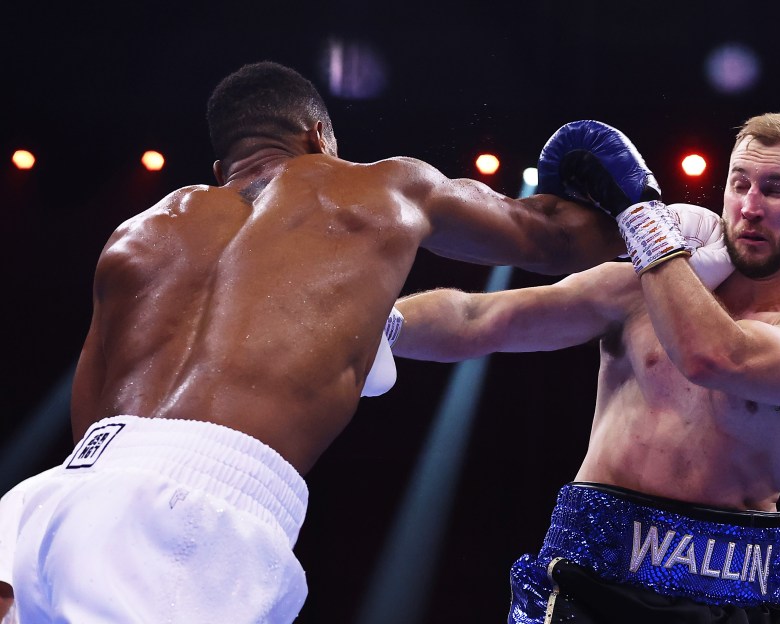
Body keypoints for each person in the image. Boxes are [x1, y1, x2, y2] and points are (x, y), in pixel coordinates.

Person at [0, 61, 627, 623]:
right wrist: (642, 205)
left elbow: (91, 420)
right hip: (187, 523)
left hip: (54, 500)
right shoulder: (385, 186)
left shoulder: (134, 235)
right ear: (318, 139)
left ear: (221, 168)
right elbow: (552, 238)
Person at [391, 114, 780, 622]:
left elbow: (714, 355)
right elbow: (479, 318)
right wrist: (370, 326)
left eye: (775, 190)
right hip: (591, 581)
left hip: (736, 594)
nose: (749, 207)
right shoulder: (642, 290)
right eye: (739, 184)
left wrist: (643, 222)